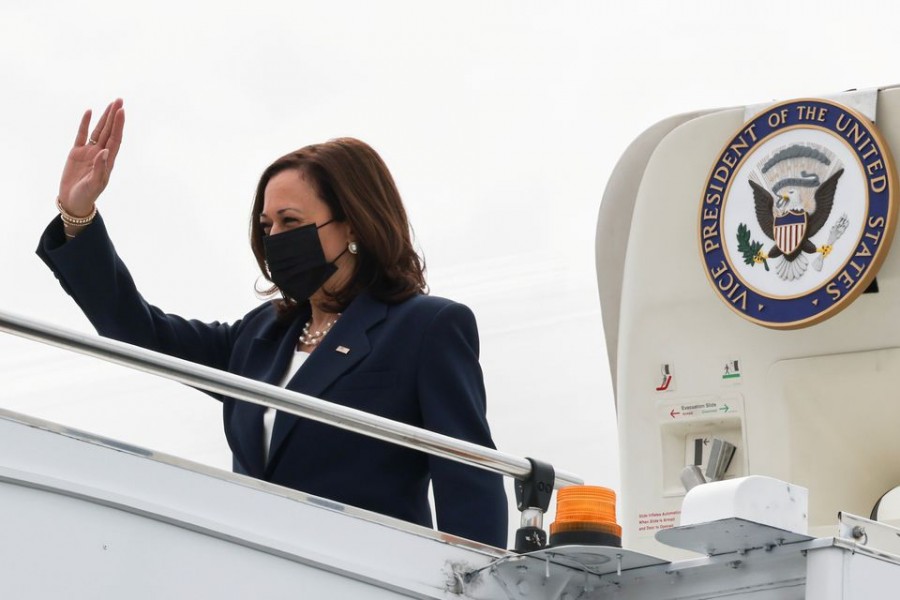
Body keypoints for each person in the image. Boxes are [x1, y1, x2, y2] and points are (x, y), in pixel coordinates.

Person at [36, 99, 508, 548]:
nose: (275, 238)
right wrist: (77, 215)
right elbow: (136, 331)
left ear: (354, 225)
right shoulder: (260, 334)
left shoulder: (426, 327)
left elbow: (469, 486)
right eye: (267, 226)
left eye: (290, 221)